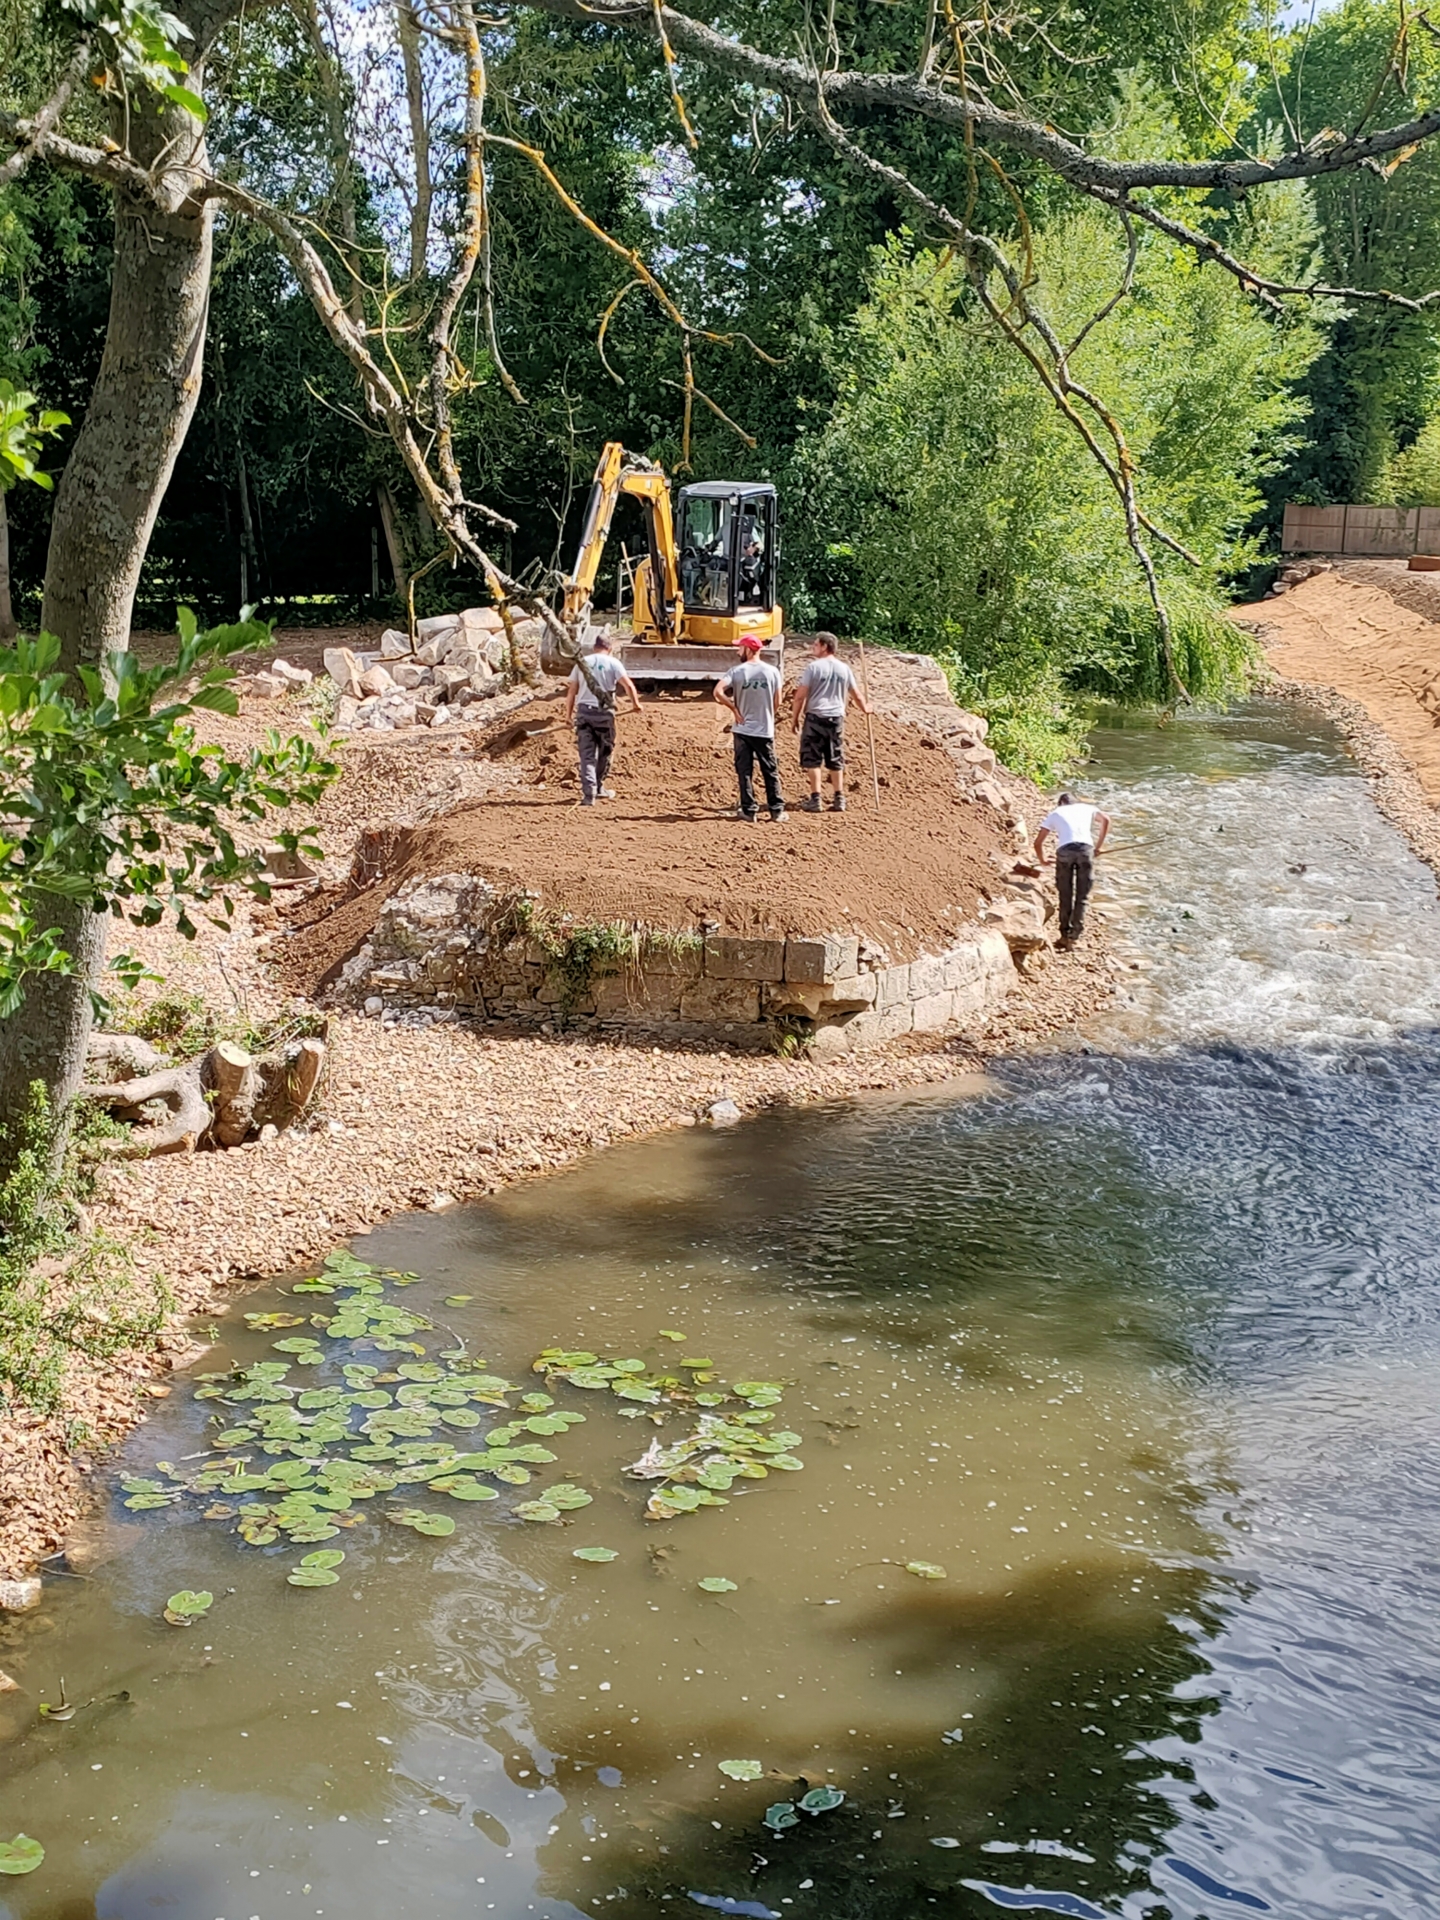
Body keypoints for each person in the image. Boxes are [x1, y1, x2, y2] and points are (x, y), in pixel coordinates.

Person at [788, 631, 871, 813]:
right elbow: (856, 695)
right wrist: (865, 708)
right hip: (836, 719)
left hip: (816, 717)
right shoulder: (844, 669)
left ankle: (816, 799)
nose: (813, 648)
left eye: (816, 645)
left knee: (813, 759)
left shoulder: (813, 668)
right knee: (835, 758)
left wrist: (795, 719)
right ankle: (839, 798)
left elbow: (800, 696)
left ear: (825, 646)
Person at [714, 634, 787, 822]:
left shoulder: (736, 672)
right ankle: (776, 810)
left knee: (744, 771)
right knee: (770, 770)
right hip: (764, 730)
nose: (738, 651)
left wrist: (733, 708)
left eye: (740, 648)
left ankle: (749, 810)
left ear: (747, 649)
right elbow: (777, 701)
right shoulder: (772, 672)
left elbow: (717, 692)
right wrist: (767, 715)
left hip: (742, 730)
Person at [564, 633, 641, 807]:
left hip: (584, 714)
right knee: (605, 753)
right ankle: (598, 787)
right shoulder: (614, 663)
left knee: (587, 756)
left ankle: (588, 794)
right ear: (610, 648)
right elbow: (628, 685)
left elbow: (571, 692)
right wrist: (636, 704)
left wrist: (568, 717)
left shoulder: (581, 663)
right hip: (604, 715)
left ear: (594, 647)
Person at [1033, 790, 1110, 948]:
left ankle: (1063, 935)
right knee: (1082, 896)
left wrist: (1042, 860)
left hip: (1065, 851)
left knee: (1065, 894)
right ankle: (1074, 937)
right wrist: (1098, 847)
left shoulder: (1056, 812)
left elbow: (1038, 842)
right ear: (1076, 801)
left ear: (1061, 803)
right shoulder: (1087, 808)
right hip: (1085, 851)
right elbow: (1106, 820)